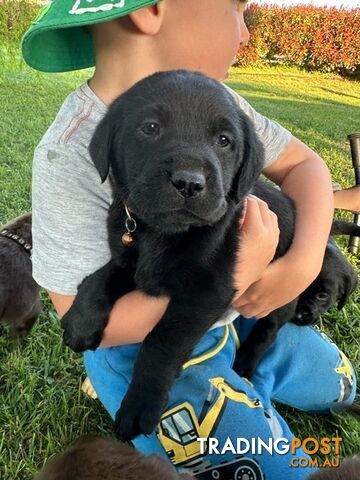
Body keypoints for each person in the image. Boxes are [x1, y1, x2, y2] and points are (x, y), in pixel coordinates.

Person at [22, 1, 356, 478]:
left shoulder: (220, 101)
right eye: (237, 10)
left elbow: (308, 167)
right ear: (151, 10)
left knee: (330, 376)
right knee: (268, 466)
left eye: (222, 142)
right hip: (143, 348)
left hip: (242, 311)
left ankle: (330, 389)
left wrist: (302, 263)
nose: (244, 33)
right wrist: (236, 274)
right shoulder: (68, 153)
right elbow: (93, 322)